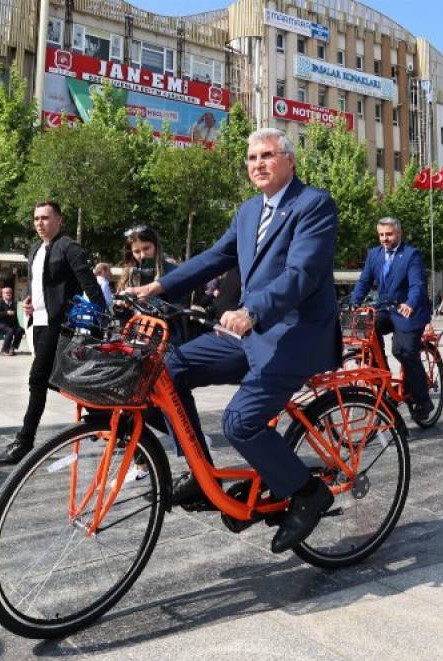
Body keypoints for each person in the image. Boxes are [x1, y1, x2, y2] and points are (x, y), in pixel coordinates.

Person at [127, 128, 341, 554]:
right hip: (249, 333)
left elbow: (300, 274)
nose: (257, 163)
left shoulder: (313, 204)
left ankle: (307, 492)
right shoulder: (248, 211)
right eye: (251, 157)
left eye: (267, 155)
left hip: (294, 334)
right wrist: (159, 287)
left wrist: (253, 311)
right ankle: (201, 473)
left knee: (239, 422)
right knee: (167, 369)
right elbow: (214, 257)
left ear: (289, 160)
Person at [0, 201, 105, 466]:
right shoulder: (35, 249)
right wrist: (27, 299)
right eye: (36, 219)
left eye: (45, 218)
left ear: (59, 220)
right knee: (56, 379)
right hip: (39, 323)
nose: (39, 223)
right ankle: (104, 415)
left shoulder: (69, 247)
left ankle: (24, 441)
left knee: (38, 378)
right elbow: (35, 283)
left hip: (61, 323)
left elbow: (89, 284)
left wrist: (104, 318)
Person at [350, 217, 434, 421]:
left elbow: (417, 284)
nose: (384, 239)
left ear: (398, 233)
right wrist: (354, 302)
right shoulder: (374, 254)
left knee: (403, 351)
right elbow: (364, 281)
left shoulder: (411, 254)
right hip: (385, 308)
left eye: (389, 234)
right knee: (366, 332)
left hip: (408, 311)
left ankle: (423, 399)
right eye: (381, 235)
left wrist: (410, 303)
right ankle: (383, 377)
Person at [0, 286, 24, 356]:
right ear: (3, 294)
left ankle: (13, 348)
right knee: (9, 331)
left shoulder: (13, 303)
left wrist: (17, 326)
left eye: (10, 293)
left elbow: (15, 317)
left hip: (9, 324)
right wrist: (6, 313)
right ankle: (4, 350)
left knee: (20, 330)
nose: (9, 294)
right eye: (7, 293)